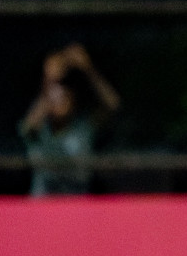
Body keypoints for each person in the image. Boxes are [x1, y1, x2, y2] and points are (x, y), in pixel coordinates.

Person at [19, 43, 120, 196]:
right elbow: (28, 126)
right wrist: (51, 78)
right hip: (42, 205)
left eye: (65, 97)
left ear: (74, 102)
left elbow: (112, 105)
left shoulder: (84, 127)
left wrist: (88, 69)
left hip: (76, 206)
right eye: (55, 96)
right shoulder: (39, 129)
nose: (59, 100)